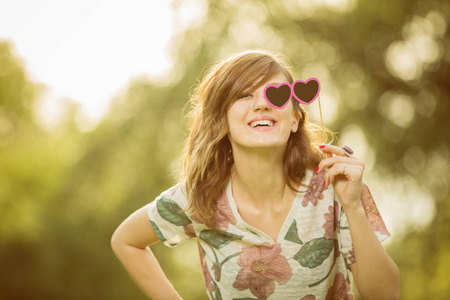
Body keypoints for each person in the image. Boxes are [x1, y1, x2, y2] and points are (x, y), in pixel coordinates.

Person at [111, 50, 400, 300]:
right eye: (244, 94)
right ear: (222, 121)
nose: (261, 104)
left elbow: (386, 295)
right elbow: (126, 240)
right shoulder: (201, 196)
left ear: (294, 121)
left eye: (276, 94)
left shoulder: (335, 185)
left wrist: (353, 207)